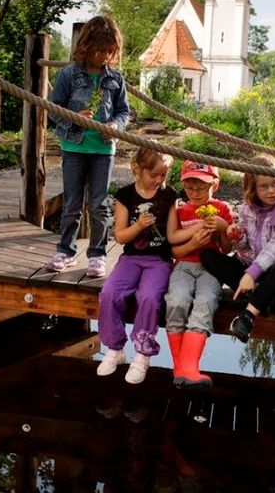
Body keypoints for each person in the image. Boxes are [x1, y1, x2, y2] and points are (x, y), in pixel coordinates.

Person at [44, 16, 130, 278]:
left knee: (99, 204)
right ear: (86, 46)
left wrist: (116, 125)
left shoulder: (115, 78)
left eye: (109, 51)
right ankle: (65, 251)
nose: (103, 56)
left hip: (103, 150)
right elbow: (53, 110)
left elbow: (123, 112)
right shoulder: (68, 75)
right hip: (74, 147)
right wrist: (74, 116)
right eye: (99, 49)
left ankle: (97, 254)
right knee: (72, 203)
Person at [200, 155, 275, 342]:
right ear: (253, 189)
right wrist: (236, 236)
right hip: (248, 266)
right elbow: (244, 247)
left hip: (272, 272)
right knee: (208, 256)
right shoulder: (248, 209)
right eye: (264, 186)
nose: (272, 191)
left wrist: (251, 275)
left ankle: (246, 318)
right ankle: (257, 297)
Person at [96, 148, 179, 384]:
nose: (159, 180)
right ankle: (115, 349)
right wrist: (140, 226)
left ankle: (143, 353)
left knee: (150, 298)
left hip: (159, 260)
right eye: (154, 175)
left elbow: (172, 236)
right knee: (110, 293)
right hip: (131, 258)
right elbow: (121, 236)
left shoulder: (168, 195)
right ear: (138, 170)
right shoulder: (125, 195)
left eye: (163, 175)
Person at [164, 161, 233, 388]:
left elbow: (226, 250)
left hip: (211, 269)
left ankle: (188, 367)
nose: (195, 193)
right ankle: (181, 368)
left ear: (215, 185)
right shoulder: (179, 212)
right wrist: (193, 241)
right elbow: (174, 250)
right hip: (183, 265)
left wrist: (223, 228)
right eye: (190, 188)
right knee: (176, 301)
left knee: (205, 302)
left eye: (201, 187)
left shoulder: (221, 209)